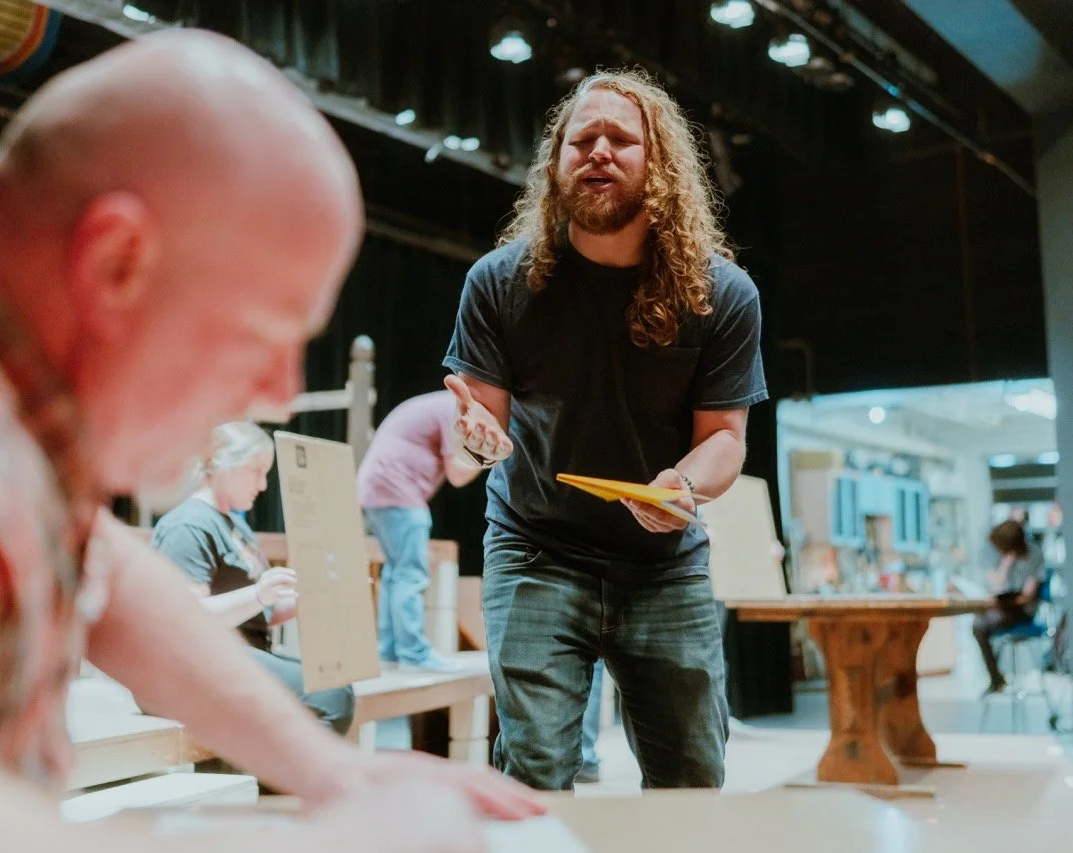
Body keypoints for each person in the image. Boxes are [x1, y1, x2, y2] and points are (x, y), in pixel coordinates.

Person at [0, 29, 542, 850]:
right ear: (117, 262)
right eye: (266, 333)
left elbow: (100, 562)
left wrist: (340, 775)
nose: (284, 390)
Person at [443, 68, 768, 791]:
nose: (598, 150)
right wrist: (475, 438)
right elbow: (482, 425)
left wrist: (681, 485)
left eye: (620, 138)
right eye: (580, 138)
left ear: (659, 166)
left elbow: (725, 438)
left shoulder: (721, 293)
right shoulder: (499, 282)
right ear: (555, 165)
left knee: (691, 777)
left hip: (664, 564)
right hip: (535, 550)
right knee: (534, 773)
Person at [153, 421, 355, 735]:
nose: (262, 486)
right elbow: (184, 621)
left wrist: (318, 595)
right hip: (194, 667)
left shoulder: (235, 525)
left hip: (240, 655)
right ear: (224, 467)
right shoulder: (188, 526)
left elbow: (258, 614)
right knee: (331, 697)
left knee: (334, 685)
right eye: (256, 471)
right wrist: (260, 593)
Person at [358, 390, 484, 672]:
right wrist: (492, 454)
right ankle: (414, 653)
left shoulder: (442, 404)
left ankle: (389, 650)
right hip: (396, 493)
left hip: (377, 491)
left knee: (396, 572)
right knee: (410, 573)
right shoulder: (454, 410)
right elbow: (458, 475)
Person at [974, 519, 1046, 696]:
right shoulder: (1004, 556)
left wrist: (1009, 601)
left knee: (985, 623)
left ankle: (997, 680)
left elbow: (1027, 595)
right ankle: (996, 678)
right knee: (977, 624)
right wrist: (1006, 563)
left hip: (1023, 610)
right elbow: (995, 583)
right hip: (1004, 607)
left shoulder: (1034, 554)